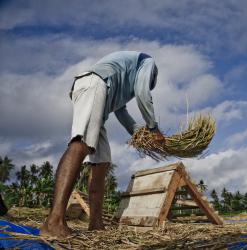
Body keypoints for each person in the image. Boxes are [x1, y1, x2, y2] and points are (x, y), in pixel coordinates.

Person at [40, 51, 164, 238]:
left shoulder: (124, 84)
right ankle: (54, 221)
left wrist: (141, 136)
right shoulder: (147, 62)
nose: (146, 84)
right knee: (80, 144)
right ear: (152, 75)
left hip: (101, 99)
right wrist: (154, 129)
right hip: (94, 84)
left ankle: (96, 224)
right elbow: (142, 93)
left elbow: (121, 112)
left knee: (102, 162)